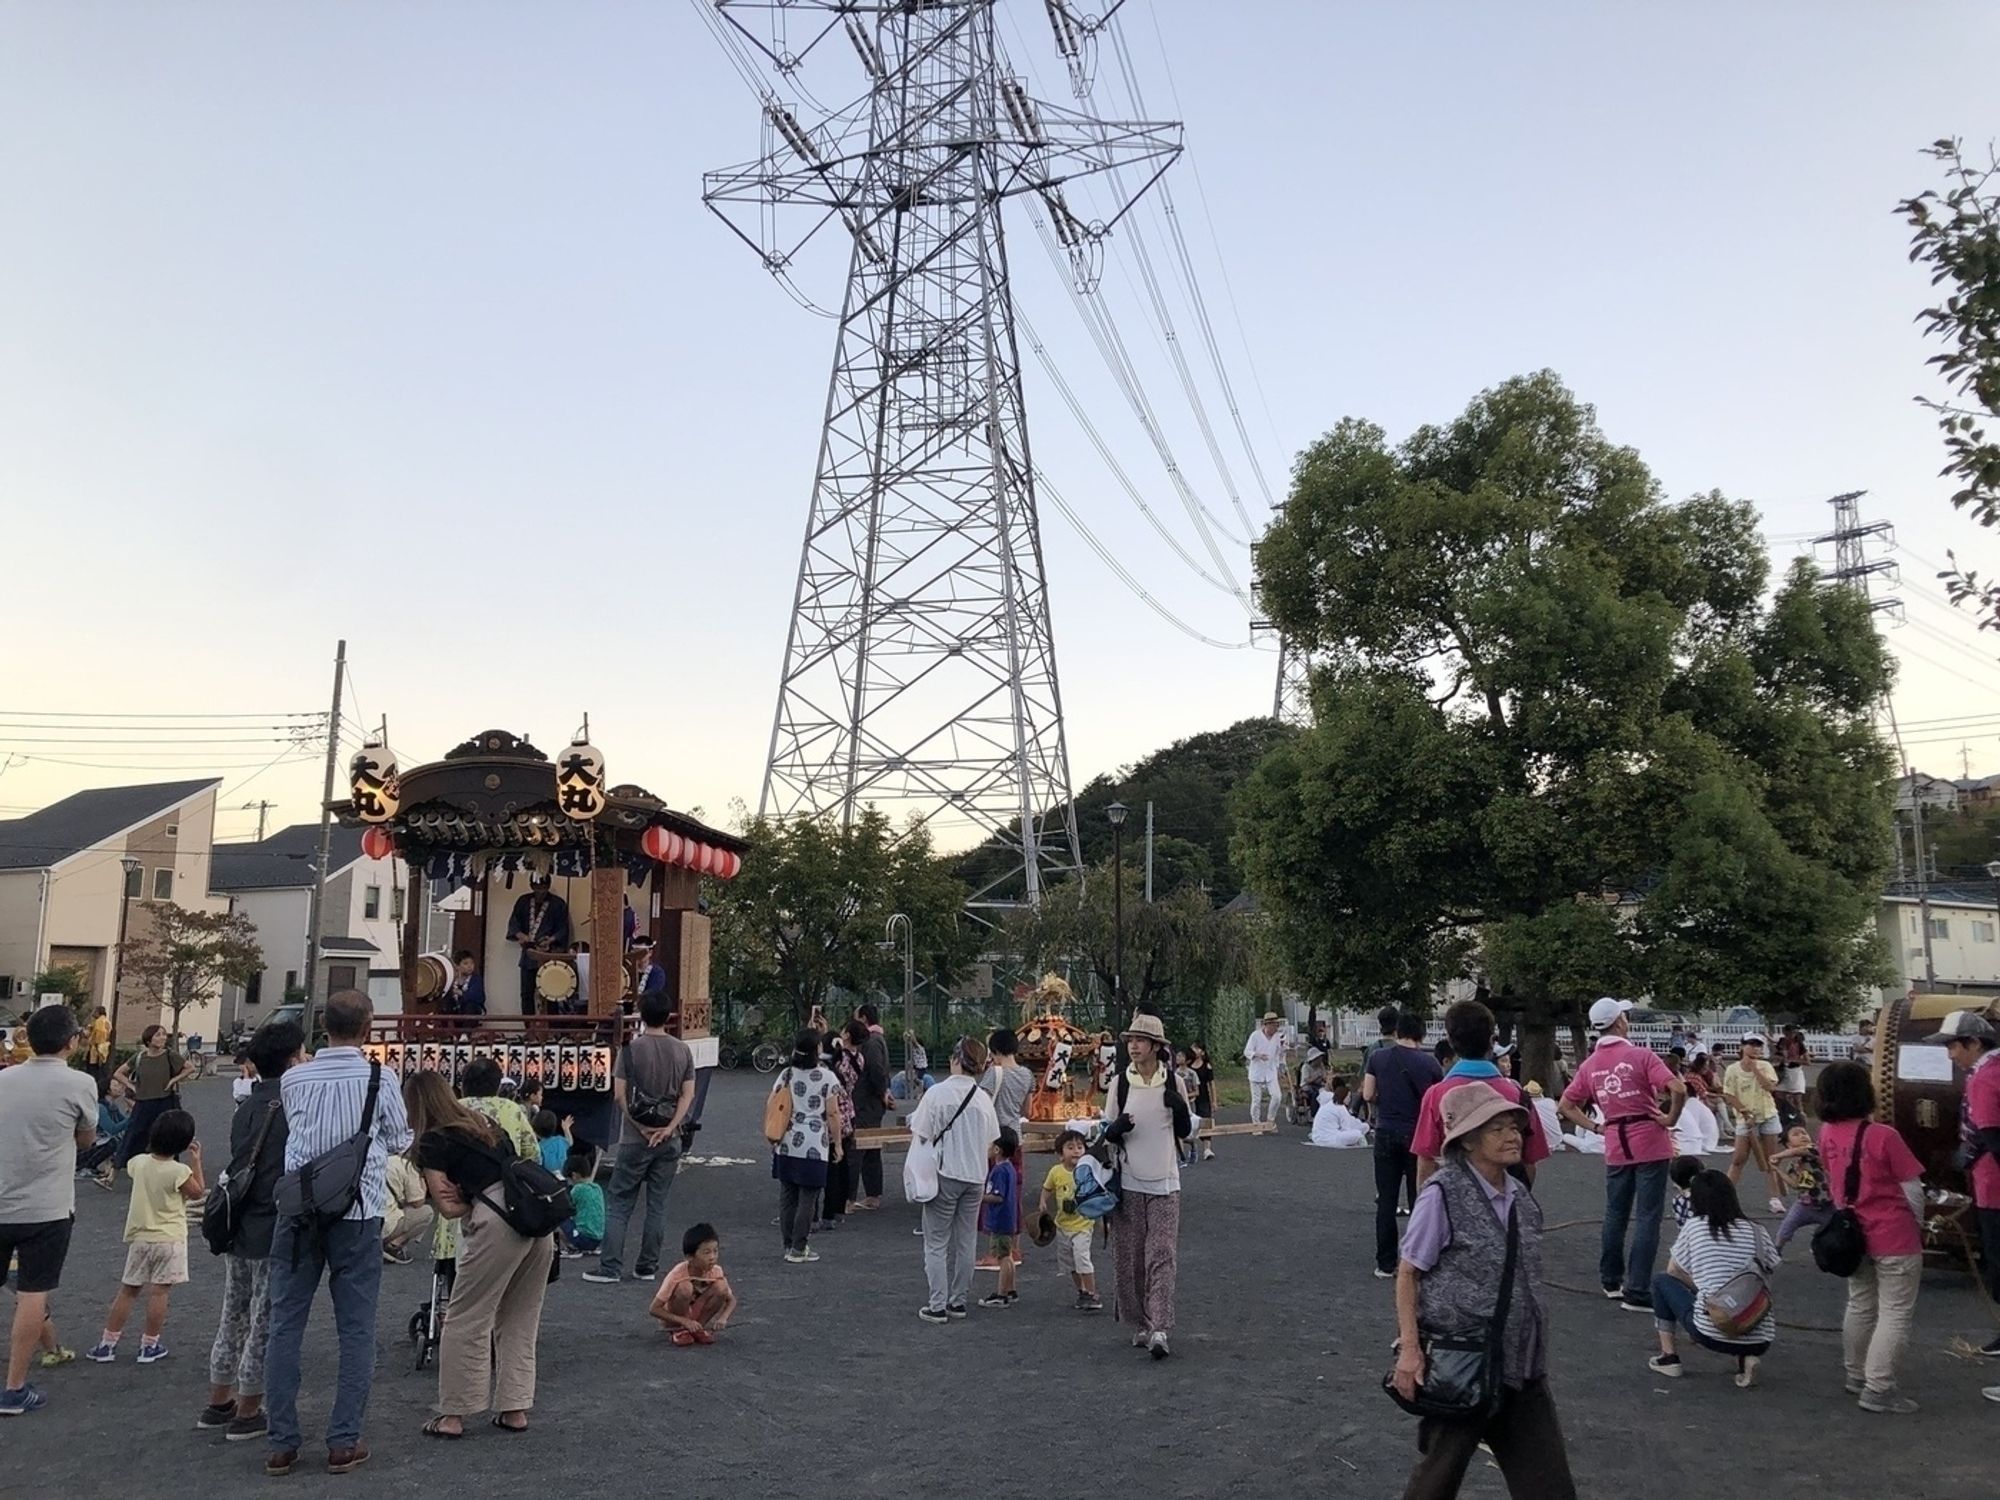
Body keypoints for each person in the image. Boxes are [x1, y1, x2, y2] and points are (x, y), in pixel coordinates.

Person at [1391, 1082, 1575, 1499]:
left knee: (1551, 1489)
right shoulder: (1442, 1194)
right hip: (1464, 1363)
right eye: (1497, 1129)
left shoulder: (1521, 1200)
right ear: (1468, 1141)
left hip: (1523, 1369)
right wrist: (1410, 1349)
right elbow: (1408, 1273)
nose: (1512, 1136)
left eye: (1514, 1127)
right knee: (1434, 1485)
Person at [262, 990, 413, 1478]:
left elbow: (294, 1128)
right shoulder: (380, 1077)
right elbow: (398, 1139)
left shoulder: (293, 1078)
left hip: (298, 1210)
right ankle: (343, 1440)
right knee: (356, 1327)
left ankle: (282, 1442)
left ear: (323, 1025)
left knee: (285, 1323)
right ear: (368, 1026)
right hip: (359, 1209)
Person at [404, 1072, 553, 1439]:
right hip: (536, 1217)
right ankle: (514, 1408)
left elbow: (449, 1208)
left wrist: (461, 1194)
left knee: (466, 1316)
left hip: (495, 1221)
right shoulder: (483, 1124)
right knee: (519, 1316)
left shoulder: (432, 1141)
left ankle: (454, 1413)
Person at [197, 1019, 300, 1442]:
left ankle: (218, 1400)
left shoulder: (247, 1105)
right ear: (294, 1059)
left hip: (237, 1220)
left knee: (233, 1312)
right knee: (264, 1317)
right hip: (271, 1220)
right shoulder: (291, 1105)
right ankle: (248, 1408)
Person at [0, 1005, 100, 1415]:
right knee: (32, 1293)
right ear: (72, 1041)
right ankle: (14, 1387)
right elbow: (87, 1140)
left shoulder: (4, 1078)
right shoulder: (79, 1083)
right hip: (47, 1207)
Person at [1812, 1061, 1926, 1413]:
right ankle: (1879, 1386)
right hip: (1893, 1233)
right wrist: (1919, 1224)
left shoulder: (1827, 1133)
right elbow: (1913, 1189)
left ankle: (1856, 1374)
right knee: (1894, 1312)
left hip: (1852, 1232)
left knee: (1860, 1302)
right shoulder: (1884, 1136)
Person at [1558, 997, 1685, 1312]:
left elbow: (1565, 1105)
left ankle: (1610, 1279)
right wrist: (1670, 1119)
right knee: (1647, 1216)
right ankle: (1638, 1289)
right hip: (1649, 1139)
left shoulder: (1590, 1065)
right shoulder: (1640, 1055)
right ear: (1619, 1022)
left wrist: (1597, 1127)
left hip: (1616, 1139)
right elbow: (1678, 1089)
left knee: (1616, 1213)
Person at [586, 991, 695, 1284]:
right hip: (669, 1138)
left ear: (641, 1014)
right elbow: (688, 1095)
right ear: (668, 1014)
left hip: (636, 1137)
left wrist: (640, 1126)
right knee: (657, 1204)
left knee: (620, 1201)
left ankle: (610, 1266)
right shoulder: (682, 1050)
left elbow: (620, 1095)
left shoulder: (630, 1050)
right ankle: (647, 1266)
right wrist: (671, 1127)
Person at [1102, 1011, 1192, 1359]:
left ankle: (1160, 1327)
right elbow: (1106, 1132)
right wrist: (1116, 1128)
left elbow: (1184, 1131)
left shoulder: (1174, 1083)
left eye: (1140, 1040)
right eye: (1130, 1040)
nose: (1133, 1046)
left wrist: (1181, 1110)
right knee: (1130, 1258)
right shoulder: (1120, 1084)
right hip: (1129, 1181)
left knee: (1162, 1254)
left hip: (1166, 1180)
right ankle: (1139, 1322)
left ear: (1156, 1046)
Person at [88, 1107, 203, 1366]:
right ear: (184, 1143)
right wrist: (195, 1161)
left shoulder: (138, 1163)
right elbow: (197, 1192)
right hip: (170, 1238)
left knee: (128, 1290)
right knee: (159, 1293)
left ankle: (107, 1344)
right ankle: (149, 1345)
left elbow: (132, 1167)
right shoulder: (178, 1171)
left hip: (141, 1237)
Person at [1649, 1170, 1778, 1388]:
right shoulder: (1757, 1230)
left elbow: (1674, 1271)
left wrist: (1702, 1289)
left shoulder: (1695, 1226)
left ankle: (1668, 1357)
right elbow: (1771, 1268)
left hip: (1711, 1330)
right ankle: (1746, 1357)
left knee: (1662, 1282)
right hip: (1760, 1333)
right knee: (1741, 1300)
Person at [1925, 1009, 2000, 1378]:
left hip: (1995, 1186)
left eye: (1953, 1046)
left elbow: (1992, 1135)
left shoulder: (1984, 1078)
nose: (1950, 1055)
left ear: (1973, 1043)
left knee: (1998, 1264)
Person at [1411, 1001, 1550, 1190]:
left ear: (1450, 1041)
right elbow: (1529, 1160)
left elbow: (1426, 1161)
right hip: (1504, 1195)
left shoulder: (1437, 1094)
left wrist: (1425, 1207)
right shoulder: (1516, 1094)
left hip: (1453, 1200)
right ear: (1492, 1040)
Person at [912, 1036, 1001, 1323]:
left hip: (944, 1174)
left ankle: (936, 1304)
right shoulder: (983, 1099)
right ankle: (958, 1301)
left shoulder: (936, 1093)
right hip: (975, 1176)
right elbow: (991, 1143)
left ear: (954, 1059)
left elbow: (921, 1133)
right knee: (966, 1240)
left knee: (936, 1241)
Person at [1365, 1011, 1443, 1278]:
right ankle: (1416, 1260)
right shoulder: (1430, 1064)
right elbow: (1438, 1102)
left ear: (1397, 1032)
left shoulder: (1378, 1057)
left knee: (1386, 1200)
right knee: (1419, 1198)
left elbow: (1367, 1094)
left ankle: (1385, 1263)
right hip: (1417, 1134)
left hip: (1386, 1131)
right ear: (1422, 1034)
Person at [770, 1027, 842, 1264]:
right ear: (817, 1049)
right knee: (808, 1197)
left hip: (787, 1141)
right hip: (814, 1142)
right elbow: (832, 1113)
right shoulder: (827, 1077)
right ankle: (800, 1247)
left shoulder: (786, 1074)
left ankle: (787, 1243)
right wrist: (838, 1143)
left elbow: (772, 1103)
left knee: (788, 1194)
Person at [112, 1024, 197, 1169]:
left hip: (165, 1101)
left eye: (163, 1034)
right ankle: (116, 1169)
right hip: (143, 1103)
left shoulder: (170, 1055)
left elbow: (190, 1067)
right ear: (148, 1039)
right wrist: (131, 1086)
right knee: (132, 1135)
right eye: (158, 1035)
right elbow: (118, 1073)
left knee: (168, 1135)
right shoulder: (139, 1057)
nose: (162, 1037)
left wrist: (174, 1080)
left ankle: (174, 1171)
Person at [981, 1028, 1032, 1259]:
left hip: (994, 1140)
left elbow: (980, 1105)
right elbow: (1027, 1111)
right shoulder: (1027, 1075)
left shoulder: (994, 1073)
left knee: (993, 1193)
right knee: (1014, 1192)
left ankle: (995, 1252)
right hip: (1016, 1139)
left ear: (996, 1051)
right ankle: (1015, 1248)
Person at [1039, 1125, 1101, 1311]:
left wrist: (1102, 1217)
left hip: (1083, 1224)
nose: (1076, 1150)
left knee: (1082, 1257)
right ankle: (1081, 1290)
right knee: (1070, 1262)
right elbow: (1047, 1188)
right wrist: (1043, 1201)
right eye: (1070, 1147)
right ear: (1060, 1154)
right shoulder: (1056, 1172)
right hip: (1063, 1225)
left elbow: (1098, 1194)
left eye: (1080, 1147)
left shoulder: (1088, 1171)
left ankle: (1092, 1293)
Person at [1723, 1034, 1786, 1214]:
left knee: (1771, 1159)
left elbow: (1770, 1087)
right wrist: (1744, 1111)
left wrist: (1756, 1070)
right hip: (1746, 1118)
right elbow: (1729, 1094)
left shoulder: (1765, 1066)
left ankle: (1774, 1199)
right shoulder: (1733, 1069)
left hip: (1767, 1115)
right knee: (1738, 1158)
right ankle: (1726, 1196)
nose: (1755, 1048)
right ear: (1742, 1046)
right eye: (1751, 1044)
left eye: (1759, 1045)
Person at [650, 1223, 737, 1345]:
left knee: (721, 1287)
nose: (712, 1257)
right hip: (676, 1316)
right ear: (690, 1257)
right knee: (684, 1287)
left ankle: (698, 1328)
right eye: (706, 1253)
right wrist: (684, 1321)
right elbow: (654, 1309)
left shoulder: (716, 1271)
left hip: (695, 1314)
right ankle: (680, 1330)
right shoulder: (678, 1274)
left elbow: (731, 1300)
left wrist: (723, 1318)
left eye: (715, 1251)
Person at [505, 874, 572, 1012]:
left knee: (552, 992)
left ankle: (551, 1029)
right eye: (537, 888)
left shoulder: (558, 904)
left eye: (543, 888)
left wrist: (551, 939)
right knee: (526, 993)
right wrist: (520, 935)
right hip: (529, 953)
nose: (540, 891)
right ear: (531, 886)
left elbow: (563, 928)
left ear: (548, 887)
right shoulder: (523, 901)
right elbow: (514, 923)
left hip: (549, 953)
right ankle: (529, 1029)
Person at [818, 1024, 861, 1231]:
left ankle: (822, 1214)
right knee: (841, 1166)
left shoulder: (824, 1069)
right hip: (848, 1117)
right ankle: (837, 1210)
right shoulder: (856, 1059)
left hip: (829, 1121)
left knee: (827, 1170)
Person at [849, 1004, 892, 1210]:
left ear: (864, 1019)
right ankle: (873, 1195)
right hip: (873, 1102)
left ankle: (849, 1198)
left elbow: (876, 1069)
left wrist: (883, 1092)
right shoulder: (878, 1039)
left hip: (866, 1102)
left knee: (857, 1149)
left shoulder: (871, 1041)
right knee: (872, 1149)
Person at [977, 1126, 1021, 1307]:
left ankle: (1001, 1293)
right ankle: (1010, 1289)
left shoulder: (998, 1171)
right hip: (1008, 1219)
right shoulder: (1009, 1168)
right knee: (1008, 1256)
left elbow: (997, 1196)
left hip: (1000, 1220)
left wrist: (978, 1197)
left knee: (1003, 1258)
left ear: (997, 1149)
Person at [1769, 1125, 1832, 1251]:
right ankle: (1776, 1251)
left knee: (1835, 1233)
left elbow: (1799, 1151)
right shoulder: (1793, 1165)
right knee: (1784, 1230)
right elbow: (1795, 1185)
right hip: (1805, 1205)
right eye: (1796, 1135)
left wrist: (1777, 1156)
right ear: (1788, 1144)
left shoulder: (1813, 1149)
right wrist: (1777, 1170)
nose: (1802, 1136)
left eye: (1804, 1133)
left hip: (1829, 1204)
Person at [75, 1077, 131, 1186]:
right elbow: (112, 1129)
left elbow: (123, 1121)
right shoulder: (101, 1107)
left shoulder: (112, 1106)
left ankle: (92, 1166)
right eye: (115, 1085)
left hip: (100, 1140)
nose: (120, 1088)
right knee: (112, 1142)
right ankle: (85, 1166)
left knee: (117, 1141)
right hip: (94, 1140)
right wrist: (132, 1118)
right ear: (107, 1090)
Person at [1242, 1011, 1287, 1128]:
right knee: (1256, 1101)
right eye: (1273, 1025)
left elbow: (1279, 1054)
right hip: (1257, 1072)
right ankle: (1256, 1124)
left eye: (1276, 1025)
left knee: (1277, 1097)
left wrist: (1281, 1066)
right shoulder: (1255, 1036)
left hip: (1271, 1071)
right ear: (1266, 1025)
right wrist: (1257, 1055)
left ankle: (1270, 1121)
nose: (1275, 1028)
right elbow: (1247, 1051)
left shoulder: (1278, 1037)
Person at [560, 1145, 604, 1259]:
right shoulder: (596, 1187)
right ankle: (592, 1248)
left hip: (583, 1238)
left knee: (558, 1219)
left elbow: (568, 1209)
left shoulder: (577, 1189)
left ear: (574, 1175)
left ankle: (571, 1248)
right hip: (598, 1237)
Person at [1188, 1044, 1218, 1161]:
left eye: (1197, 1048)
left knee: (1205, 1120)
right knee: (1190, 1123)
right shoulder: (1188, 1065)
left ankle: (1207, 1149)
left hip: (1203, 1097)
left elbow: (1212, 1084)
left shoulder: (1207, 1066)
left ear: (1203, 1052)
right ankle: (1191, 1146)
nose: (1194, 1050)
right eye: (1193, 1048)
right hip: (1189, 1097)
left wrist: (1214, 1101)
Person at [1775, 1026, 1810, 1124]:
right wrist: (1781, 1057)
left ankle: (1802, 1122)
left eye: (1791, 1033)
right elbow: (1776, 1055)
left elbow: (1808, 1061)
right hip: (1783, 1072)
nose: (1789, 1036)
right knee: (1779, 1098)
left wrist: (1792, 1059)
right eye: (1787, 1034)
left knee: (1797, 1101)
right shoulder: (1782, 1042)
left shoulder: (1799, 1044)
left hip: (1795, 1072)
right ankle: (1783, 1121)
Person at [441, 951, 485, 1018]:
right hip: (455, 1009)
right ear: (457, 966)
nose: (470, 966)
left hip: (470, 1011)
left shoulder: (476, 979)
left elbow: (479, 997)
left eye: (472, 963)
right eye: (465, 963)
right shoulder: (451, 979)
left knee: (470, 1007)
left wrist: (461, 993)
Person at [626, 936, 667, 1005]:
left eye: (641, 952)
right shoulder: (627, 971)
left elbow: (652, 993)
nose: (637, 955)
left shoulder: (657, 972)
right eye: (634, 951)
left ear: (650, 953)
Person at [532, 1110, 571, 1175]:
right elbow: (570, 1142)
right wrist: (566, 1129)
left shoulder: (538, 1147)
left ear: (535, 1133)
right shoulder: (560, 1140)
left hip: (548, 1178)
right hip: (563, 1175)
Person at [84, 1006, 112, 1094]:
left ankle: (95, 1089)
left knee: (94, 1070)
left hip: (96, 1051)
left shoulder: (100, 1021)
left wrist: (97, 1047)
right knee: (100, 1070)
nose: (93, 1013)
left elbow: (100, 1035)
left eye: (94, 1011)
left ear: (98, 1012)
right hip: (102, 1049)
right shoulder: (103, 1021)